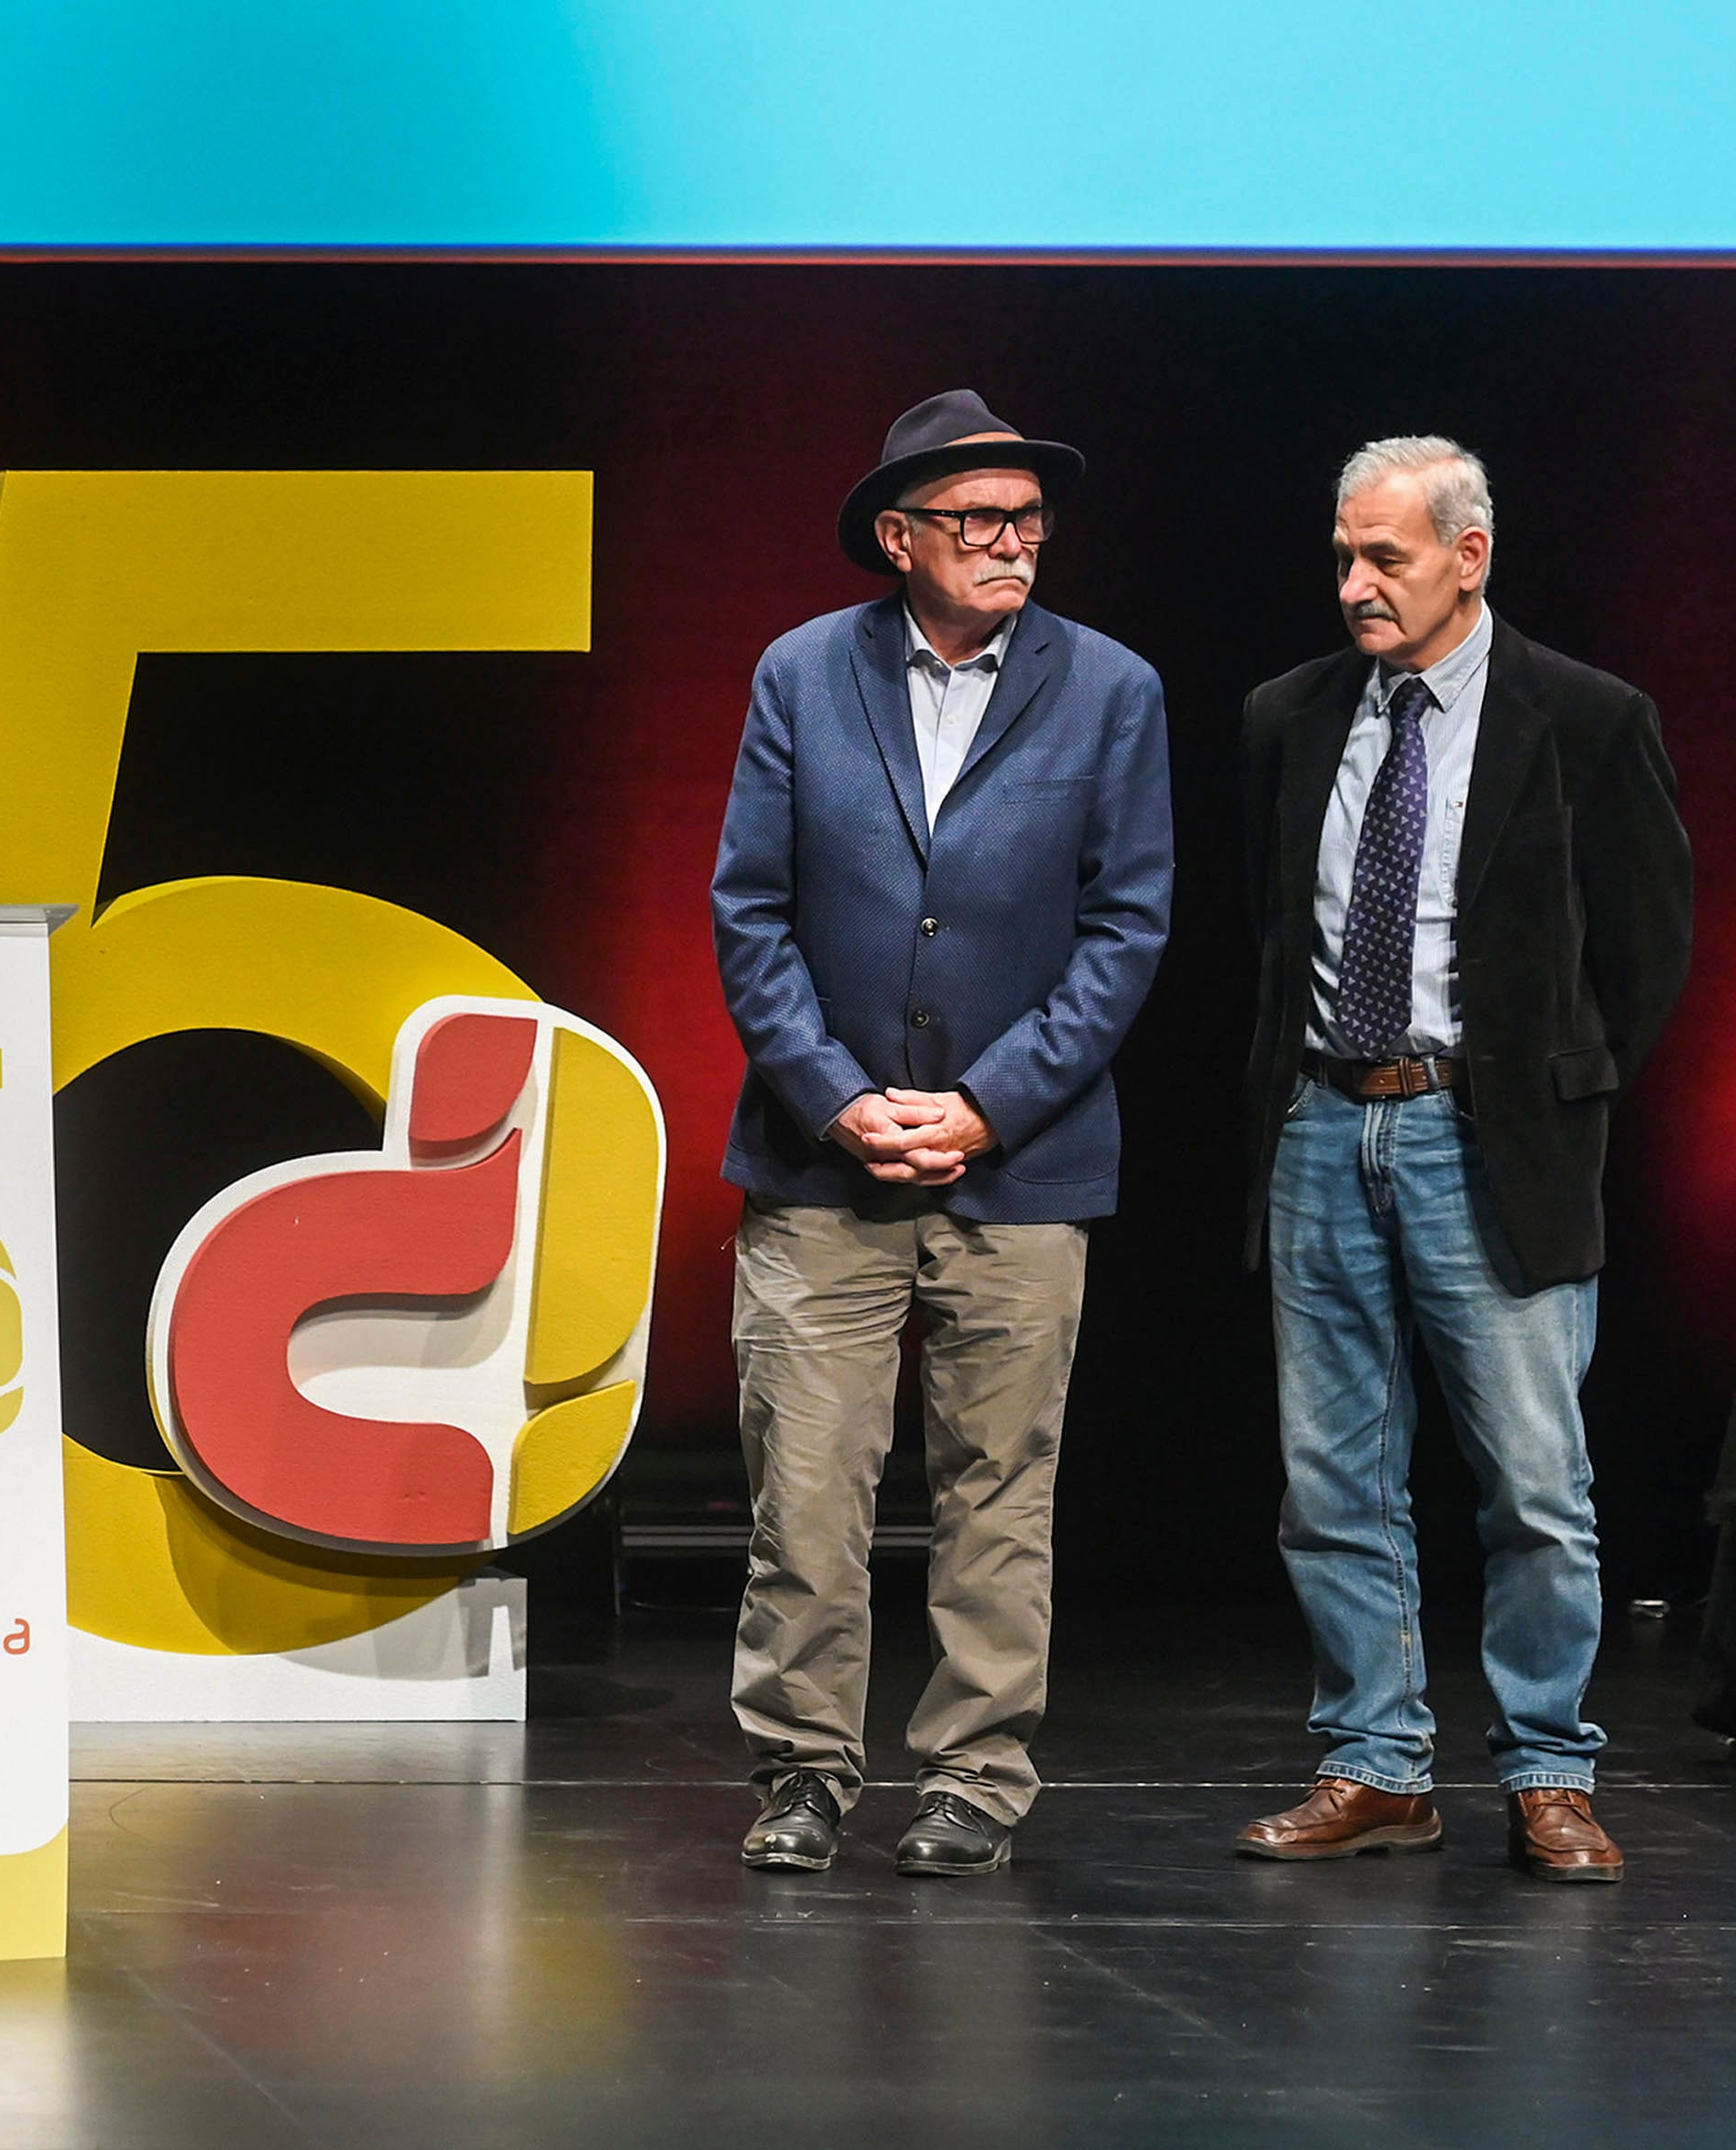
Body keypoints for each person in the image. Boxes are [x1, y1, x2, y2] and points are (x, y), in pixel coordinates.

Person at [711, 390, 1173, 1877]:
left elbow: (1124, 929)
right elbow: (750, 912)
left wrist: (987, 1104)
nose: (1011, 542)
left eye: (1028, 518)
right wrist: (841, 1099)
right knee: (809, 1484)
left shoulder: (1112, 690)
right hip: (818, 1161)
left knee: (998, 1487)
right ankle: (800, 1768)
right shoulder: (801, 672)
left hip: (1022, 1163)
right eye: (977, 519)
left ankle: (975, 1773)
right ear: (897, 537)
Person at [1232, 437, 1690, 1878]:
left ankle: (1550, 1765)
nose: (1356, 584)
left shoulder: (1587, 718)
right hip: (1320, 1121)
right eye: (1345, 555)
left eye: (1389, 557)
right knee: (1332, 1476)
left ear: (1469, 554)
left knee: (1535, 1479)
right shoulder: (1287, 715)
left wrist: (1555, 1086)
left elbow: (1647, 941)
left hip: (1482, 1132)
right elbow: (1272, 920)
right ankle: (1376, 1760)